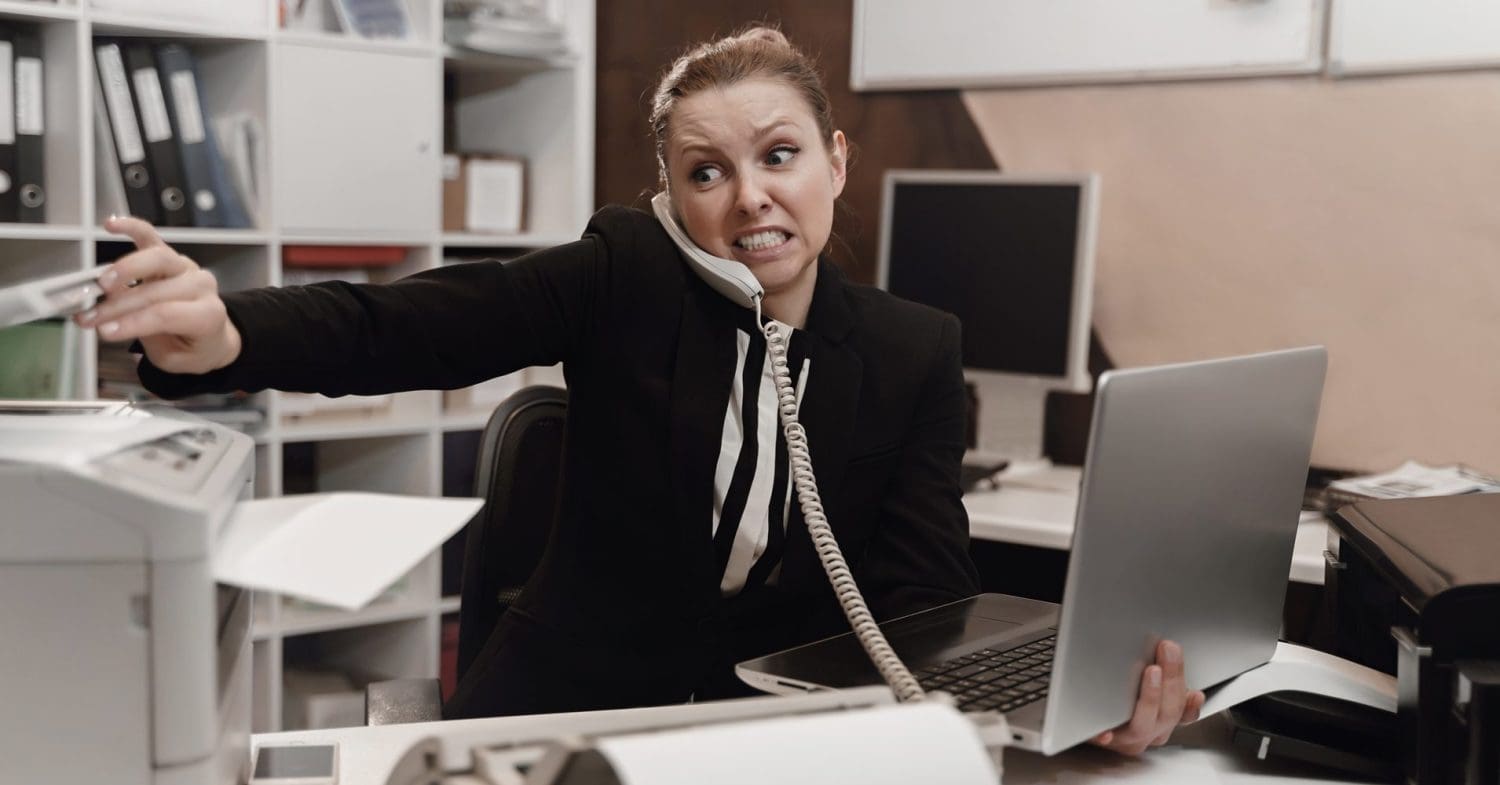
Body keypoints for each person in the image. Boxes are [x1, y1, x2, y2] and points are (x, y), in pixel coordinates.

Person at [77, 26, 1202, 754]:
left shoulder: (912, 347)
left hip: (781, 742)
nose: (749, 197)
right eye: (704, 171)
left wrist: (1047, 710)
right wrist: (226, 330)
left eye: (779, 155)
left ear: (836, 162)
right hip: (574, 708)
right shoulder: (622, 274)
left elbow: (925, 602)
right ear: (665, 196)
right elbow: (412, 323)